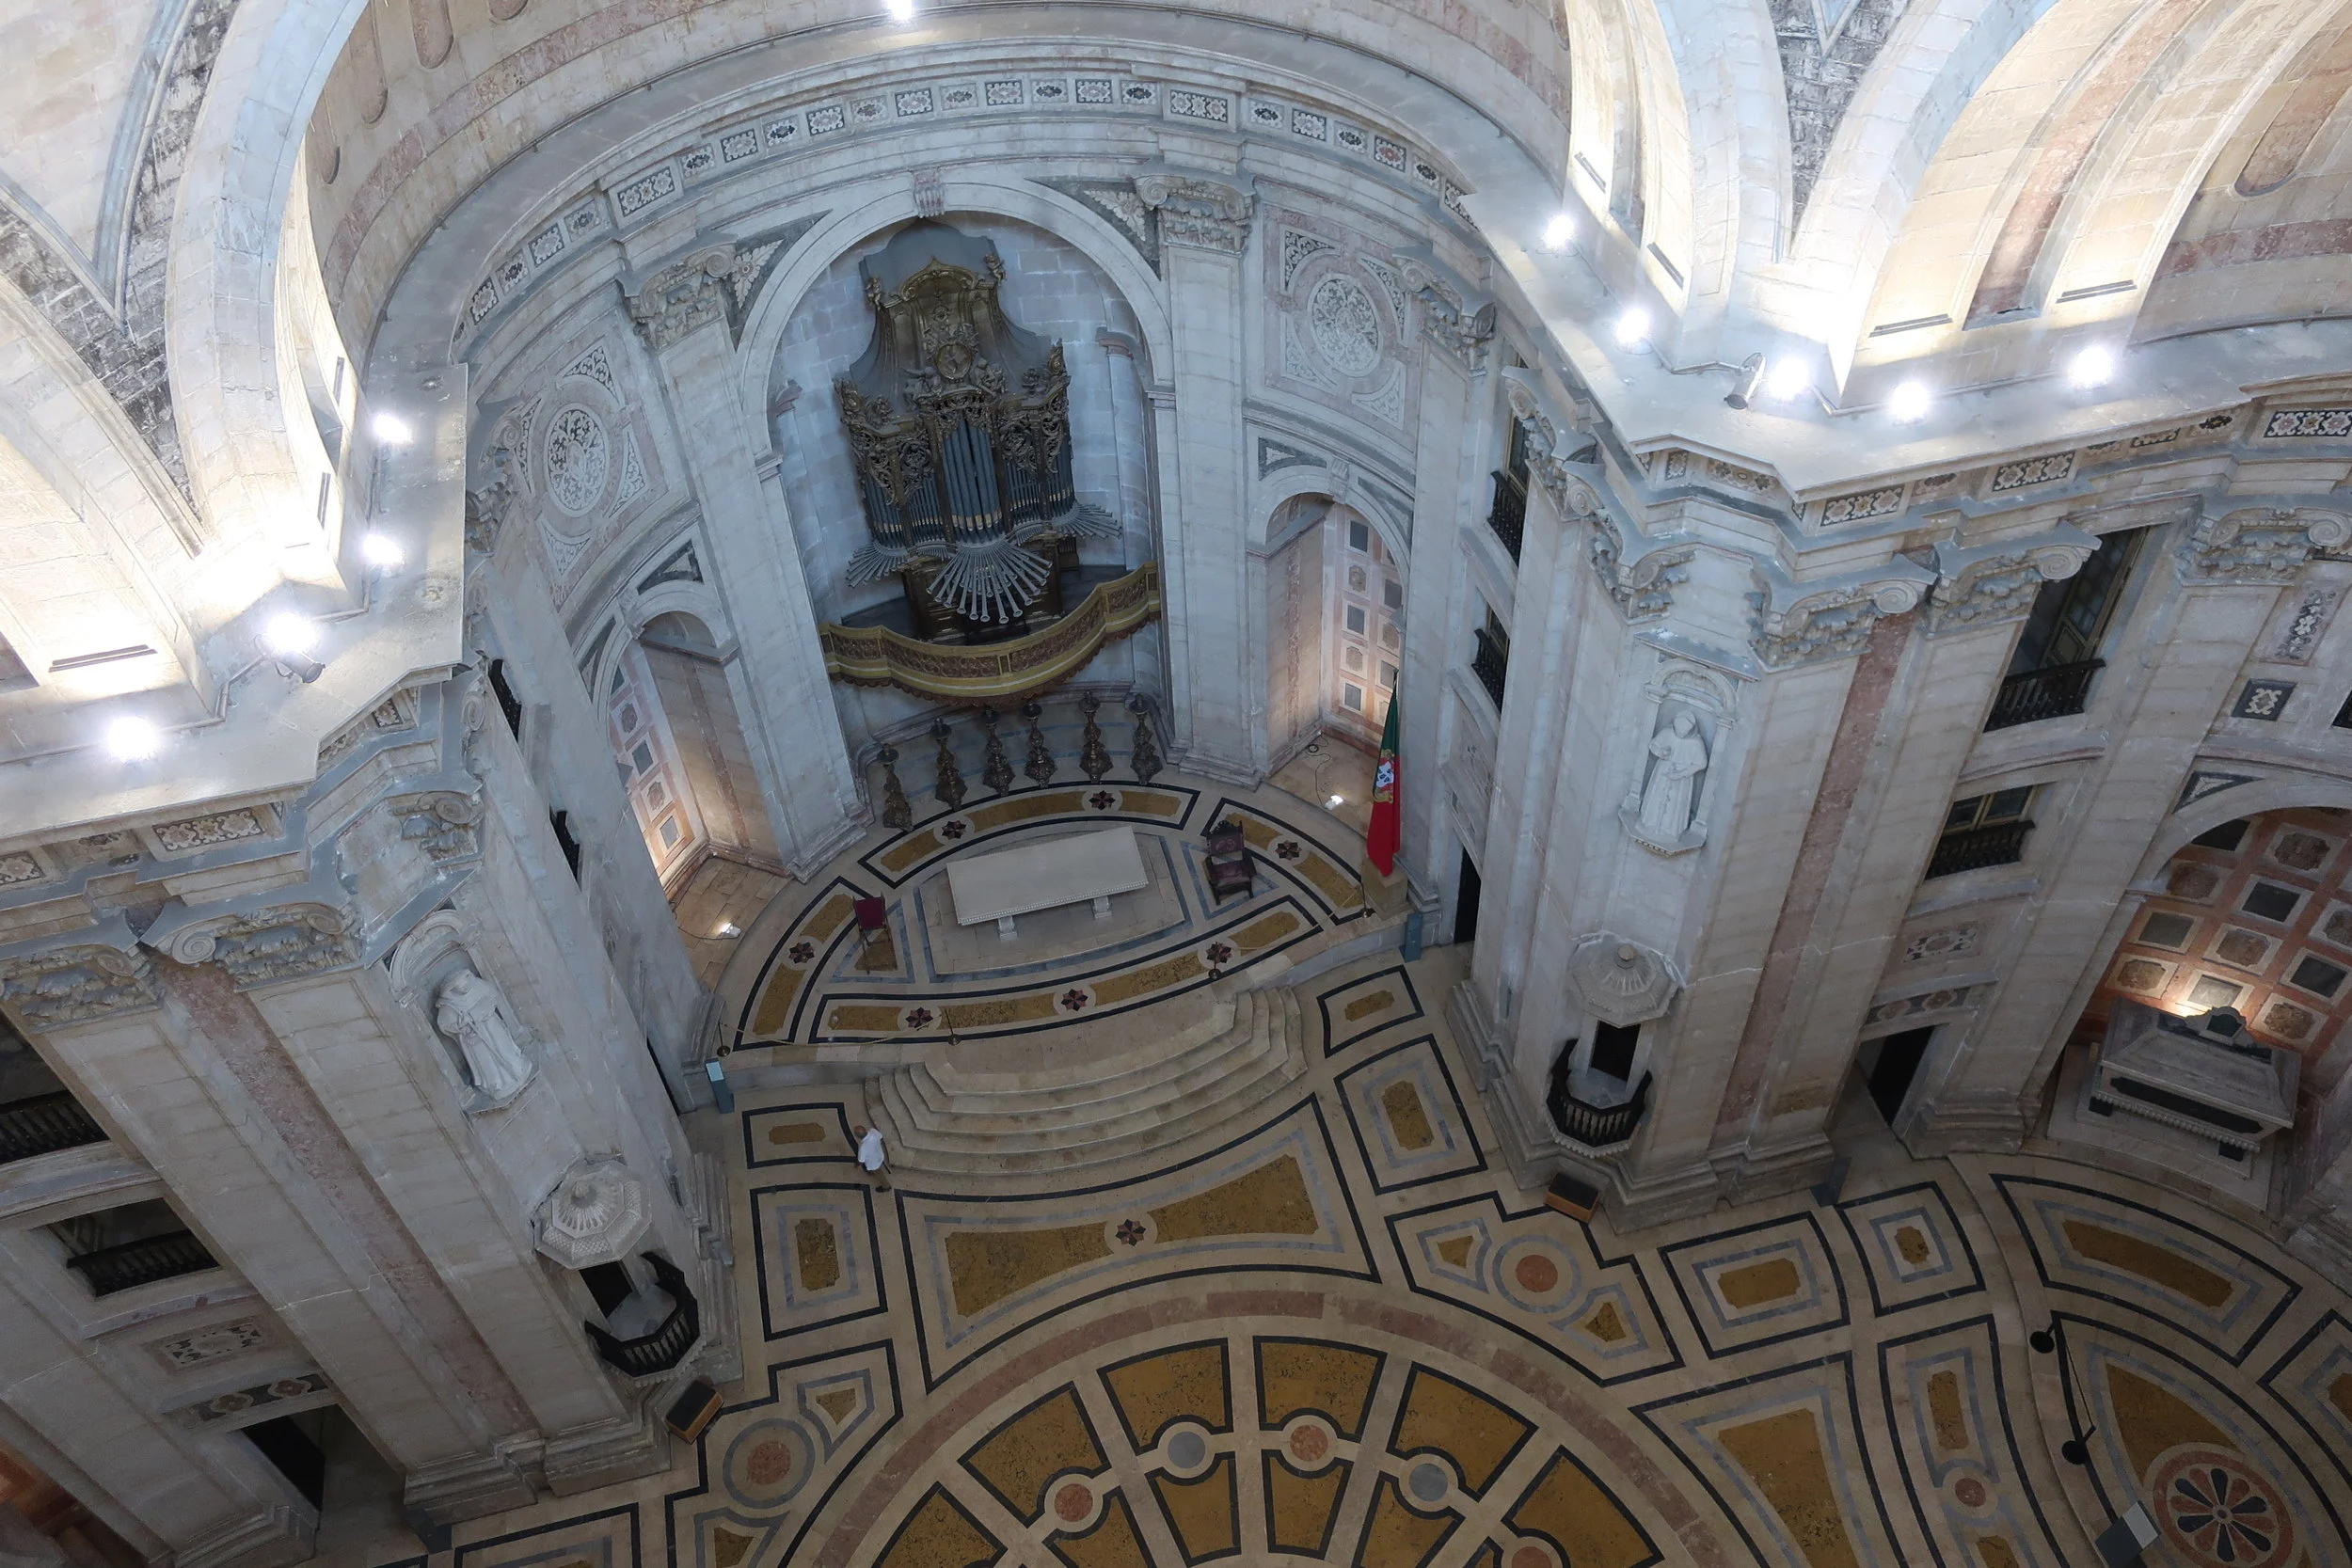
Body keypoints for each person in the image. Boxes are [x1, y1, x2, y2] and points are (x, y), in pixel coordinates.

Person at [852, 1123, 890, 1190]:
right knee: (875, 1168)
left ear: (858, 1136)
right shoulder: (873, 1131)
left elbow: (861, 1161)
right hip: (879, 1155)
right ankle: (870, 1172)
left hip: (873, 1164)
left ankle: (886, 1186)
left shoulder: (863, 1147)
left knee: (879, 1175)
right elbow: (880, 1137)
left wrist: (856, 1165)